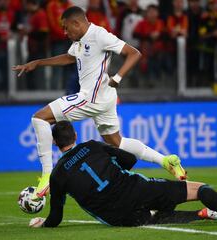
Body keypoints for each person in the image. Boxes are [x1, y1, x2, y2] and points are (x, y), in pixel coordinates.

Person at [12, 6, 187, 198]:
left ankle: (47, 176)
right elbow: (69, 57)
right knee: (116, 141)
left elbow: (134, 53)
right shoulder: (79, 40)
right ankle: (166, 161)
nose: (64, 32)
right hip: (103, 97)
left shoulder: (100, 35)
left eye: (66, 27)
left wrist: (118, 77)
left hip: (91, 97)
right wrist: (38, 62)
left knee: (39, 118)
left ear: (76, 23)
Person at [28, 121, 217, 227]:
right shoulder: (92, 146)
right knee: (198, 188)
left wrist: (43, 224)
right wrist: (115, 168)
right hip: (135, 188)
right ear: (75, 136)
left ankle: (203, 214)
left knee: (152, 217)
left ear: (55, 144)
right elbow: (129, 159)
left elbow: (56, 217)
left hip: (116, 216)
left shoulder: (57, 175)